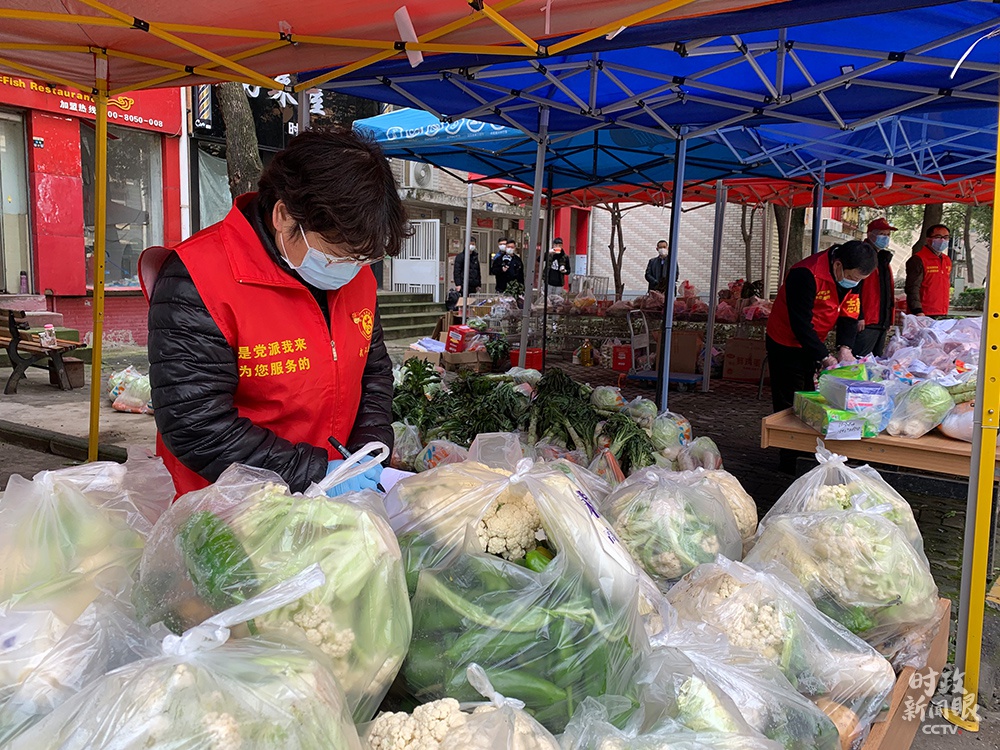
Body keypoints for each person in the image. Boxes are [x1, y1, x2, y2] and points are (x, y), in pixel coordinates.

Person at [140, 128, 408, 498]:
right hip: (230, 510)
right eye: (336, 253)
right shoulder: (197, 278)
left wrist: (369, 447)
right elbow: (195, 422)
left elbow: (373, 372)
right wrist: (313, 473)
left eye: (362, 258)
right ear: (284, 215)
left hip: (333, 500)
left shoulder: (355, 275)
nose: (349, 267)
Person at [766, 240, 877, 414]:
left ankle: (805, 438)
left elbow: (850, 312)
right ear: (838, 264)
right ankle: (783, 439)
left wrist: (845, 348)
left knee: (809, 394)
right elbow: (800, 324)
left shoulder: (852, 275)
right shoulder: (805, 274)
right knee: (789, 401)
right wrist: (825, 357)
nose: (856, 283)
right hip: (786, 341)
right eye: (855, 279)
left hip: (815, 339)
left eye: (860, 280)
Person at [855, 217, 898, 357]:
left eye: (887, 235)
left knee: (875, 362)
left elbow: (886, 291)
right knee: (861, 360)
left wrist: (888, 319)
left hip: (880, 321)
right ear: (870, 234)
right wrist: (859, 315)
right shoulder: (863, 255)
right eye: (882, 234)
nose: (885, 238)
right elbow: (855, 288)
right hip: (867, 321)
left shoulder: (883, 258)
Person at [905, 224, 953, 317]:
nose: (942, 240)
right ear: (928, 239)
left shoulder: (946, 260)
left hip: (941, 312)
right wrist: (917, 310)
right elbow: (913, 287)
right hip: (923, 313)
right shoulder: (918, 259)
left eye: (946, 237)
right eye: (938, 237)